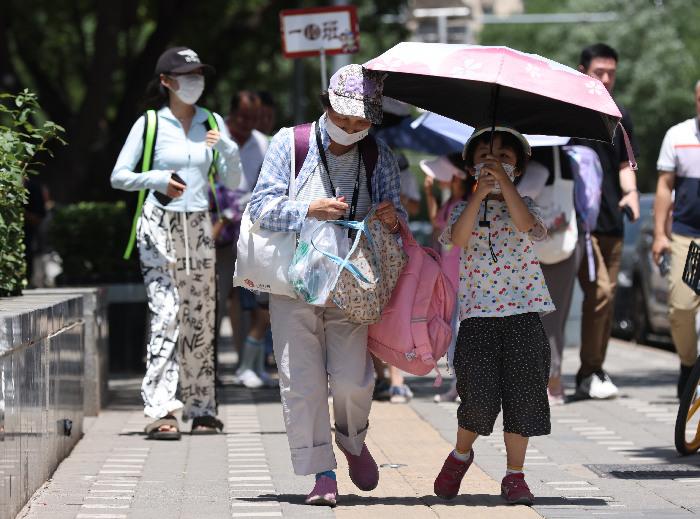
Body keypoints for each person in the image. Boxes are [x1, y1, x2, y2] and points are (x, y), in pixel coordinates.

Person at [248, 64, 405, 506]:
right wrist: (307, 209)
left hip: (353, 281)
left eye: (362, 122)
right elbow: (260, 206)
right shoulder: (291, 142)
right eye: (345, 119)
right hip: (292, 281)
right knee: (302, 382)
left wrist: (393, 220)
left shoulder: (378, 154)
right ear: (327, 105)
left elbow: (398, 220)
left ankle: (352, 440)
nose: (353, 129)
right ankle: (321, 471)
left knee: (355, 378)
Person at [111, 47, 242, 438]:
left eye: (199, 75)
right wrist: (155, 178)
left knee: (201, 316)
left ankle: (202, 408)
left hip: (200, 225)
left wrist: (228, 149)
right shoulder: (150, 123)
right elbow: (119, 175)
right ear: (166, 81)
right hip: (159, 223)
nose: (194, 82)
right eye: (186, 76)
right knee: (167, 312)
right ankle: (161, 409)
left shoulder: (212, 121)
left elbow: (233, 181)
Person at [433, 126, 552, 506]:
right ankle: (461, 454)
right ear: (470, 167)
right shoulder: (460, 208)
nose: (495, 164)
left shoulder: (527, 203)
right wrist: (480, 194)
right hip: (478, 318)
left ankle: (514, 475)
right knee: (478, 398)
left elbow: (523, 225)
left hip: (524, 314)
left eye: (505, 158)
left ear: (518, 167)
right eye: (486, 158)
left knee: (523, 395)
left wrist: (504, 187)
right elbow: (460, 238)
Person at [573, 43, 640, 400]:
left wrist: (630, 192)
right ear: (583, 69)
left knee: (607, 299)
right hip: (579, 225)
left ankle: (592, 370)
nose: (607, 79)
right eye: (600, 72)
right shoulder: (566, 113)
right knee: (598, 294)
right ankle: (585, 370)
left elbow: (626, 162)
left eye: (612, 72)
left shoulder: (618, 115)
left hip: (614, 223)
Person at [213, 91, 272, 389]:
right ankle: (208, 367)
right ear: (231, 114)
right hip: (218, 233)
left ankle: (247, 364)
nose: (248, 124)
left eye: (253, 118)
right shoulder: (214, 136)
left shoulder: (264, 144)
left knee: (251, 301)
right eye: (243, 118)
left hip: (251, 234)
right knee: (216, 297)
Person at [516, 147, 583, 405]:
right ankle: (552, 382)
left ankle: (551, 382)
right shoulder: (563, 155)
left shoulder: (542, 155)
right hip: (563, 243)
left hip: (544, 247)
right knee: (556, 318)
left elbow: (525, 193)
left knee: (545, 318)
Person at [652, 80, 700, 397]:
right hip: (690, 240)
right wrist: (659, 234)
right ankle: (688, 364)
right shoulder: (679, 135)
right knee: (681, 307)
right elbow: (664, 186)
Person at [421, 154, 473, 404]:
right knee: (453, 330)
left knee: (459, 330)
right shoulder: (452, 203)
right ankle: (458, 383)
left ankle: (462, 383)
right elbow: (436, 223)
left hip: (461, 278)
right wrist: (430, 194)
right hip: (451, 278)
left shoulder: (464, 205)